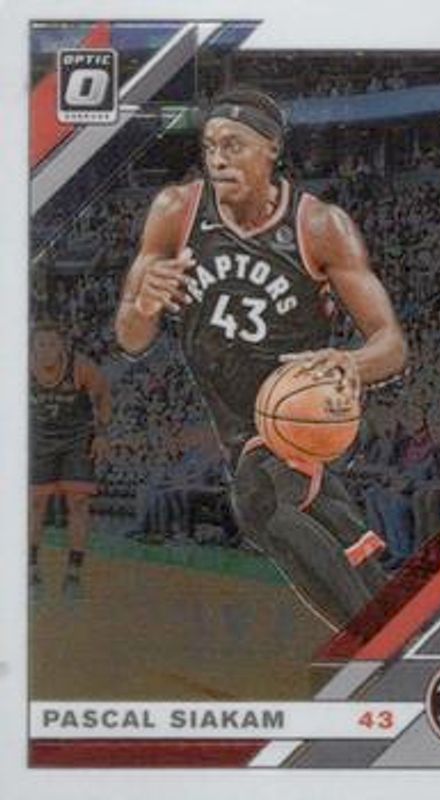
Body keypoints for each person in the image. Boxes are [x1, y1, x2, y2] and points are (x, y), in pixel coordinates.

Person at [115, 87, 407, 630]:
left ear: (271, 148)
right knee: (321, 525)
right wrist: (143, 304)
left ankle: (374, 645)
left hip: (301, 407)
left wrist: (352, 363)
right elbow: (131, 340)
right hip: (240, 423)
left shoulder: (319, 225)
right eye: (209, 147)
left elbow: (390, 343)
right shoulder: (176, 211)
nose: (217, 159)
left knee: (260, 505)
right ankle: (401, 629)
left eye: (233, 145)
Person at [30, 322, 111, 597]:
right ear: (33, 347)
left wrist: (101, 434)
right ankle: (31, 568)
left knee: (78, 502)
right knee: (35, 503)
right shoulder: (20, 366)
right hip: (39, 439)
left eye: (52, 344)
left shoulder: (81, 367)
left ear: (62, 346)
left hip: (76, 440)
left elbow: (102, 396)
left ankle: (74, 573)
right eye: (40, 344)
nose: (46, 350)